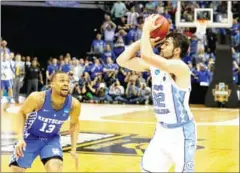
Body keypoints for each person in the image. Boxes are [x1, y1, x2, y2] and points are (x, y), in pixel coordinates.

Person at [117, 14, 196, 172]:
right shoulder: (156, 65)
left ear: (177, 50)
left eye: (166, 44)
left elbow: (147, 55)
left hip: (181, 133)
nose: (161, 46)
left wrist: (146, 31)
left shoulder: (181, 68)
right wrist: (142, 42)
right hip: (161, 131)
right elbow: (122, 60)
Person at [9, 71, 81, 172]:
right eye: (62, 80)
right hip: (30, 137)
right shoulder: (38, 98)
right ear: (52, 84)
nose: (66, 83)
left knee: (55, 167)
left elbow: (74, 124)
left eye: (68, 81)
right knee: (16, 170)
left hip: (51, 139)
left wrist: (74, 149)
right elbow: (21, 113)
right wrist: (20, 139)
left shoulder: (74, 104)